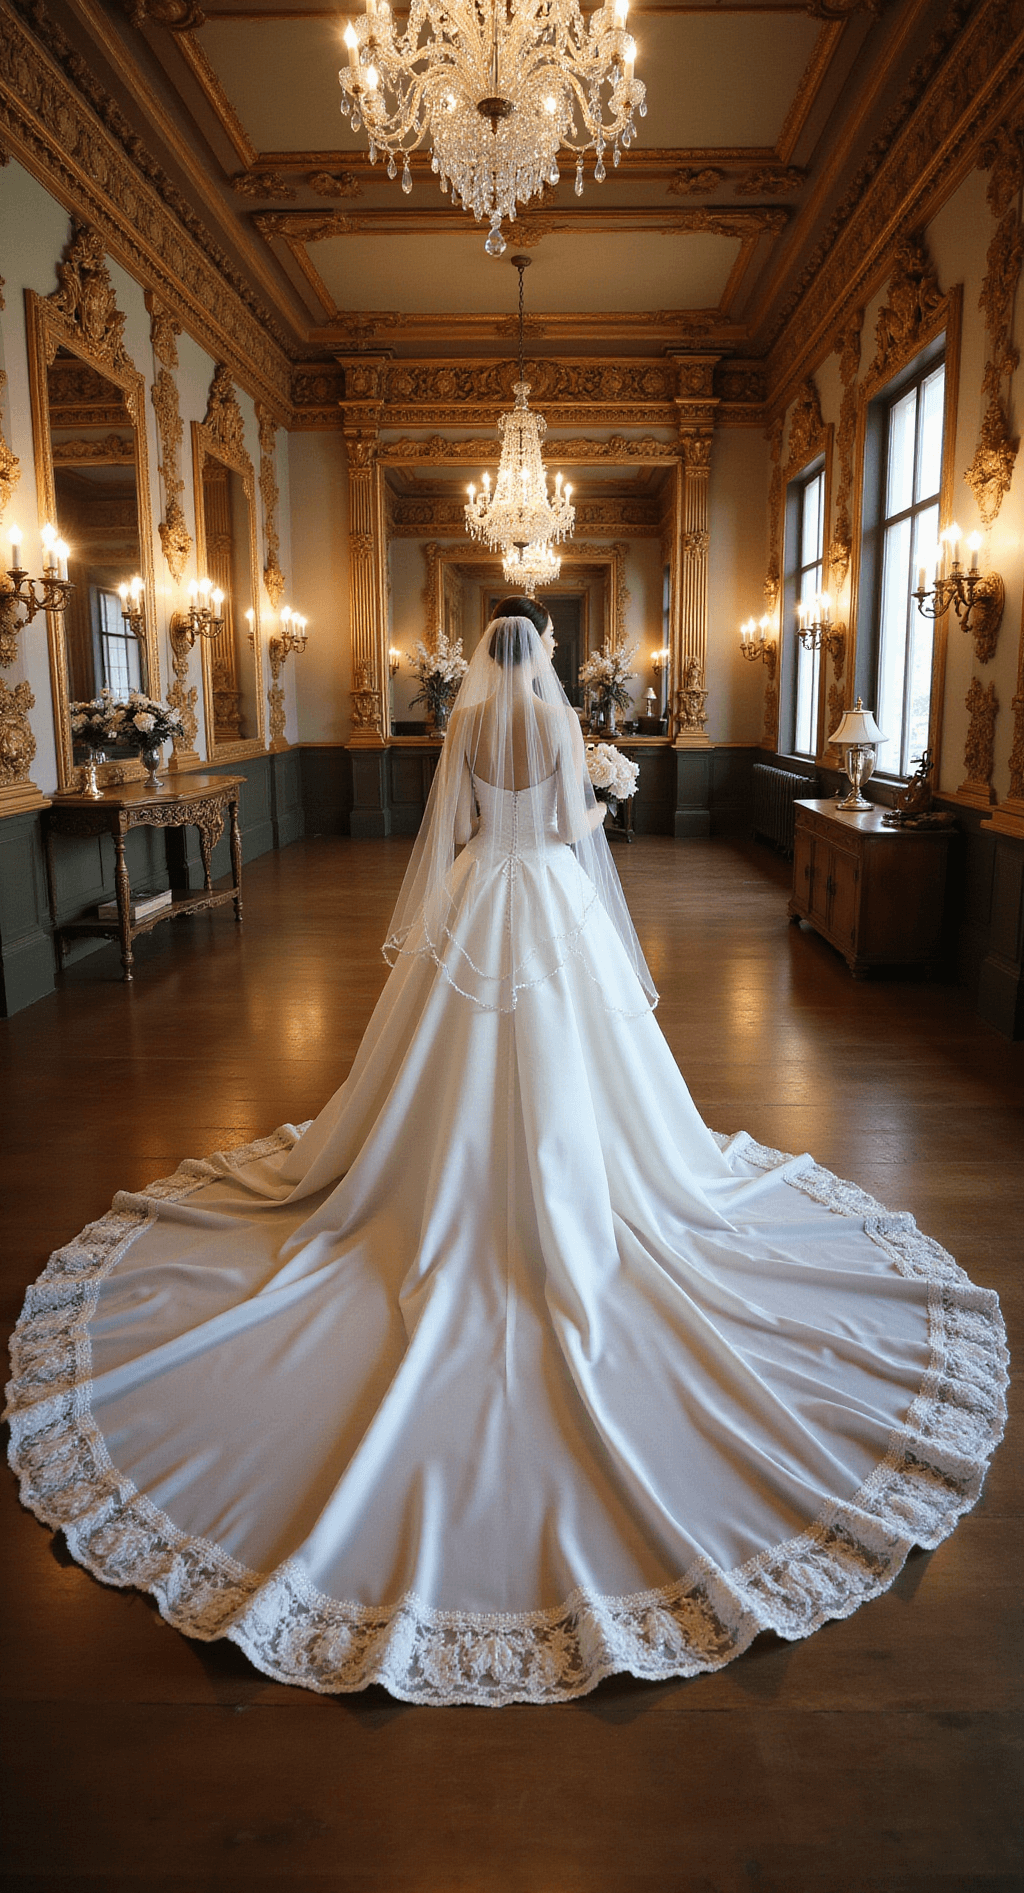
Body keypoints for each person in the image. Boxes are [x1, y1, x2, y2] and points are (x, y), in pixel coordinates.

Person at [6, 602, 1007, 1708]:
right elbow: (575, 830)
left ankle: (430, 1181)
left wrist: (527, 825)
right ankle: (590, 1189)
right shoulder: (559, 728)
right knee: (591, 1064)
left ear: (481, 662)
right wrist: (601, 792)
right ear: (549, 662)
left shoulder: (470, 730)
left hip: (485, 898)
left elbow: (456, 830)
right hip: (553, 900)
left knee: (441, 1055)